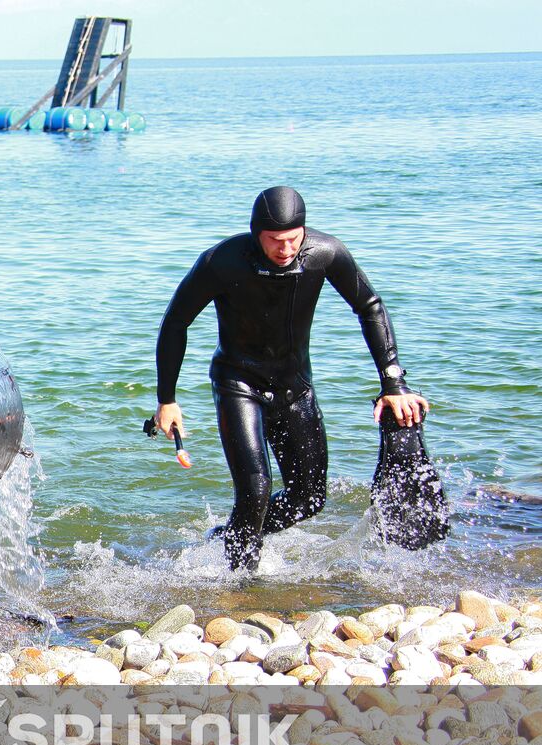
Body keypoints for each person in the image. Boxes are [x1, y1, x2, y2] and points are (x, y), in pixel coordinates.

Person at [153, 186, 430, 571]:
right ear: (256, 234)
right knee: (256, 490)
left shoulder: (326, 253)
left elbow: (370, 306)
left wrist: (393, 383)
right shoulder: (221, 262)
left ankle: (231, 537)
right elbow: (175, 322)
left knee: (309, 499)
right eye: (275, 241)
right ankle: (241, 590)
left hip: (294, 387)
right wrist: (167, 399)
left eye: (293, 240)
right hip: (238, 384)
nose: (285, 250)